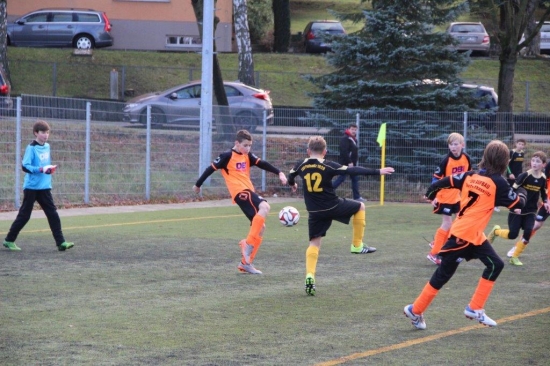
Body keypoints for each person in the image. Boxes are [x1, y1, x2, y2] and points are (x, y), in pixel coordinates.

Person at [404, 140, 526, 330]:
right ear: (504, 161)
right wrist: (521, 189)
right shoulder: (498, 183)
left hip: (471, 234)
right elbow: (519, 205)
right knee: (443, 275)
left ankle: (474, 307)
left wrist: (431, 194)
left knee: (495, 265)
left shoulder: (470, 175)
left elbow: (444, 181)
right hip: (465, 236)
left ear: (485, 157)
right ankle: (416, 309)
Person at [287, 136, 394, 295]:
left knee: (314, 244)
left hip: (314, 211)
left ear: (308, 151)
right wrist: (377, 171)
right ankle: (357, 245)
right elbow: (352, 170)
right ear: (325, 152)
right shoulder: (328, 165)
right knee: (360, 206)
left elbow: (291, 176)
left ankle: (310, 275)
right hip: (333, 205)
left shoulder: (300, 164)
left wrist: (293, 184)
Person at [193, 130, 288, 274]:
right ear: (236, 143)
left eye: (250, 146)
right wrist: (198, 184)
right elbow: (210, 169)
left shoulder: (247, 156)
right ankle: (248, 244)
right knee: (265, 206)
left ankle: (246, 263)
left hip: (249, 191)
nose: (248, 149)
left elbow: (262, 163)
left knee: (261, 228)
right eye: (245, 145)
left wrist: (279, 172)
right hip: (240, 192)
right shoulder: (226, 156)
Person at [3, 120, 74, 252]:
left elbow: (44, 164)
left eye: (47, 132)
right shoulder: (31, 148)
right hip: (31, 187)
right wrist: (41, 170)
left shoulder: (47, 146)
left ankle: (61, 242)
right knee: (25, 215)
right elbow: (25, 166)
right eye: (42, 132)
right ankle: (9, 240)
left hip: (45, 187)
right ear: (36, 133)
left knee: (53, 214)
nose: (45, 135)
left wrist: (50, 169)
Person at [487, 151, 549, 266]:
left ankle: (514, 257)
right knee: (513, 235)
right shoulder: (524, 176)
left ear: (543, 164)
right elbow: (512, 190)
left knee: (528, 232)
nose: (534, 163)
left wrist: (546, 202)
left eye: (538, 161)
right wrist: (515, 205)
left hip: (531, 211)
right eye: (533, 160)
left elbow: (543, 192)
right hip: (518, 209)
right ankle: (496, 231)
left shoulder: (543, 178)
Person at [426, 132, 471, 265]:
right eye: (451, 144)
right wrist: (432, 196)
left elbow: (468, 176)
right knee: (447, 223)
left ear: (462, 145)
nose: (453, 147)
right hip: (443, 196)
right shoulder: (446, 161)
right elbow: (436, 179)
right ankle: (434, 253)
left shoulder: (466, 158)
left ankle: (438, 242)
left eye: (456, 144)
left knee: (459, 222)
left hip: (456, 196)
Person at [332, 123, 366, 202]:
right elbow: (344, 152)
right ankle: (329, 191)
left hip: (352, 164)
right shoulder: (345, 139)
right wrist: (349, 162)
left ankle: (357, 197)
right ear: (348, 129)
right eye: (352, 129)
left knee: (354, 179)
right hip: (346, 163)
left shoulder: (353, 139)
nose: (354, 131)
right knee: (341, 178)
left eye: (355, 130)